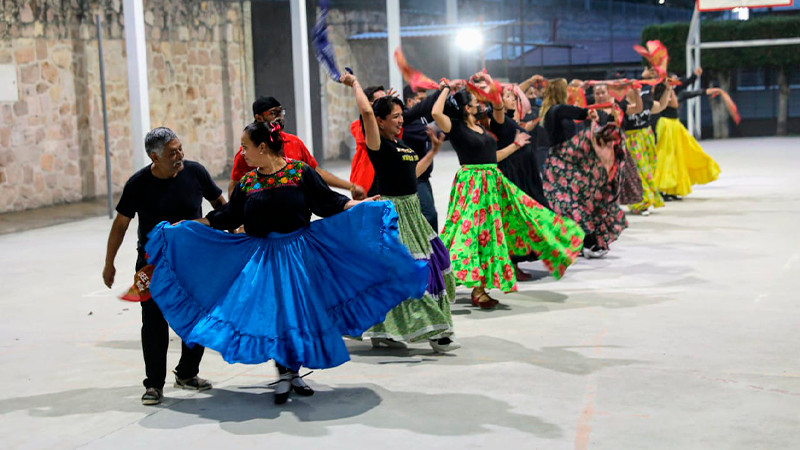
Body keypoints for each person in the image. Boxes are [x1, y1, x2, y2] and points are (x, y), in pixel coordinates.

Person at [142, 121, 428, 405]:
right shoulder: (249, 182)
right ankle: (283, 374)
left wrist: (363, 206)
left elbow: (328, 203)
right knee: (277, 316)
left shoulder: (299, 172)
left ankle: (293, 373)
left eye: (245, 147)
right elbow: (227, 216)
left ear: (262, 147)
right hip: (264, 259)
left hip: (299, 255)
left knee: (297, 315)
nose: (242, 153)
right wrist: (190, 226)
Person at [432, 81, 584, 308]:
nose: (478, 105)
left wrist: (515, 145)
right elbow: (435, 111)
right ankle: (447, 280)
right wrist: (446, 88)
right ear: (466, 108)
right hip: (471, 186)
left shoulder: (482, 127)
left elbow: (492, 157)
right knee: (467, 234)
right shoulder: (455, 127)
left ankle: (478, 286)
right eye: (474, 102)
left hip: (492, 185)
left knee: (500, 228)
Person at [102, 127, 226, 406]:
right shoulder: (138, 184)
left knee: (198, 316)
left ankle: (187, 373)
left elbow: (220, 205)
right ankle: (154, 385)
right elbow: (121, 223)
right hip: (152, 265)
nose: (180, 155)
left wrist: (233, 236)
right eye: (173, 153)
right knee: (154, 321)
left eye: (180, 148)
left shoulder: (196, 173)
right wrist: (109, 263)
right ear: (154, 157)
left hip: (193, 261)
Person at [341, 72, 458, 352]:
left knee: (430, 263)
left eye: (400, 115)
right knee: (411, 270)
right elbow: (367, 112)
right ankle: (436, 331)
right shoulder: (377, 145)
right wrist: (356, 84)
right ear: (380, 121)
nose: (400, 119)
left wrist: (432, 153)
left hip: (412, 212)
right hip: (394, 214)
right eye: (394, 116)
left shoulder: (401, 145)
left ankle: (388, 329)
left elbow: (410, 175)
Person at [540, 79, 628, 259]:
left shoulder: (555, 112)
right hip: (560, 166)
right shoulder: (555, 111)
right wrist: (589, 112)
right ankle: (585, 243)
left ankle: (584, 242)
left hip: (567, 164)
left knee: (579, 204)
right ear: (561, 92)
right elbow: (577, 112)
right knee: (574, 206)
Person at [229, 96, 366, 200]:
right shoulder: (248, 153)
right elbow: (234, 188)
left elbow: (316, 173)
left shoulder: (294, 143)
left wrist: (351, 186)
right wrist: (235, 228)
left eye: (281, 112)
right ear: (258, 117)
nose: (280, 117)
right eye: (273, 113)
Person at [489, 85, 551, 281]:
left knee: (531, 216)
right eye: (507, 96)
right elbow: (498, 108)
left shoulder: (510, 120)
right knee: (515, 221)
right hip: (512, 174)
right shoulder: (498, 120)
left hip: (525, 174)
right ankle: (512, 266)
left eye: (513, 97)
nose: (512, 99)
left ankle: (521, 261)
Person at [652, 76, 721, 198]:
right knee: (666, 158)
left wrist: (706, 91)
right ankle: (661, 188)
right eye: (672, 80)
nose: (675, 82)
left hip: (676, 125)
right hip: (666, 126)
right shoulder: (661, 95)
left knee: (680, 157)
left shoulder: (674, 92)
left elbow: (689, 93)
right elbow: (674, 103)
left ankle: (673, 189)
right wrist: (669, 89)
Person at [618, 85, 668, 215]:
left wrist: (668, 89)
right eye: (633, 88)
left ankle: (647, 199)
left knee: (649, 171)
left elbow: (661, 106)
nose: (637, 90)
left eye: (639, 88)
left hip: (647, 139)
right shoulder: (623, 105)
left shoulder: (645, 101)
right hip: (632, 141)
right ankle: (640, 203)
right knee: (638, 172)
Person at [402, 85, 439, 231]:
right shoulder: (408, 123)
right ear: (410, 102)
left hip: (424, 177)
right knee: (429, 215)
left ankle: (430, 251)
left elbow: (436, 108)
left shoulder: (421, 118)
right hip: (415, 178)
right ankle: (429, 251)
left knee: (427, 215)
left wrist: (449, 91)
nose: (425, 103)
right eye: (421, 100)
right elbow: (437, 132)